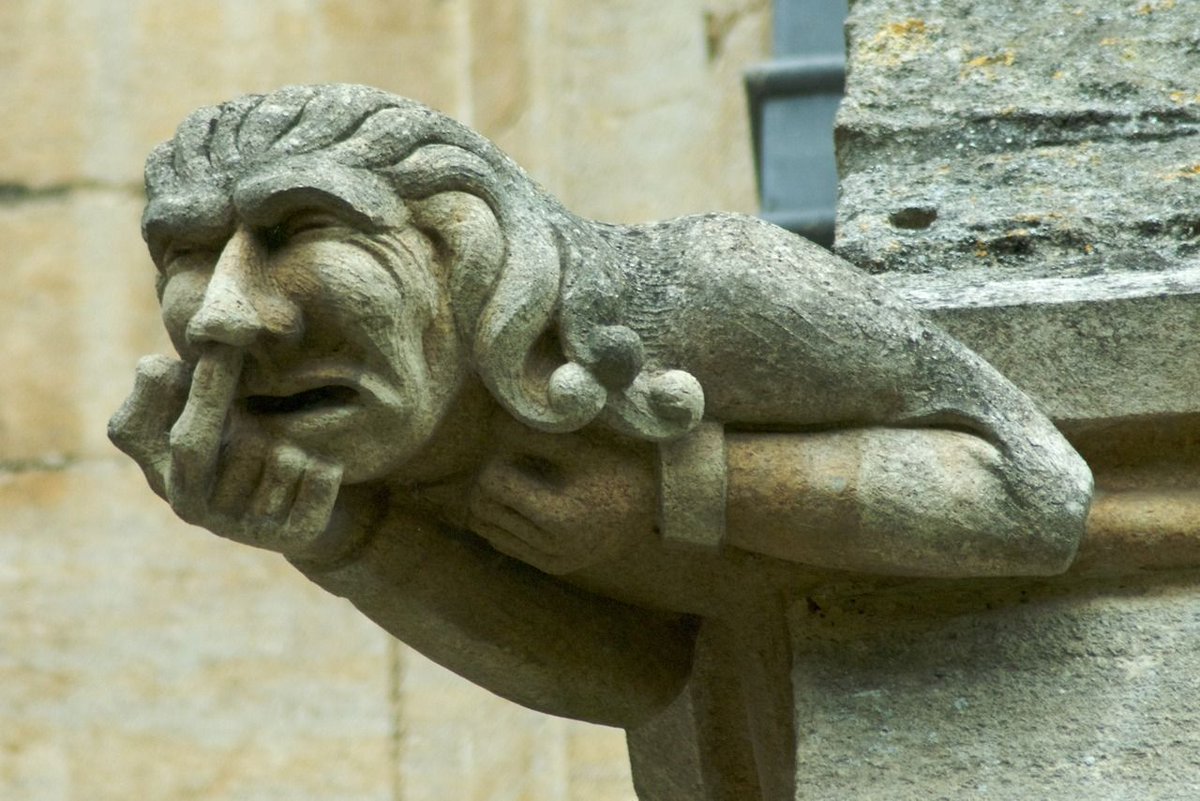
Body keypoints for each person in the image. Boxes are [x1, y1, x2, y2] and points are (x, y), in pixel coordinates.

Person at [109, 84, 1093, 797]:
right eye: (188, 255)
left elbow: (1037, 495)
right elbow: (632, 674)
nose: (224, 314)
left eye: (295, 229)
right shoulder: (387, 444)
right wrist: (337, 543)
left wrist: (681, 491)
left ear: (457, 238)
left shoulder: (709, 294)